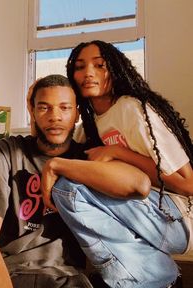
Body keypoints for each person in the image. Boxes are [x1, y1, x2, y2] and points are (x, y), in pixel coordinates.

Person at [0, 74, 150, 288]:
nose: (55, 116)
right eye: (44, 108)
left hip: (64, 278)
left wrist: (58, 165)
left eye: (65, 108)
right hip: (3, 272)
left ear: (77, 113)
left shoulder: (87, 159)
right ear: (32, 111)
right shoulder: (6, 154)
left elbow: (140, 185)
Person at [39, 41, 193, 288]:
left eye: (99, 65)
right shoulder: (88, 127)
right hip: (144, 217)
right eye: (80, 67)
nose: (88, 72)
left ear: (116, 70)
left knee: (70, 188)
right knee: (69, 187)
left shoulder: (132, 109)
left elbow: (188, 184)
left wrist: (117, 152)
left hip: (178, 218)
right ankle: (154, 276)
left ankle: (152, 276)